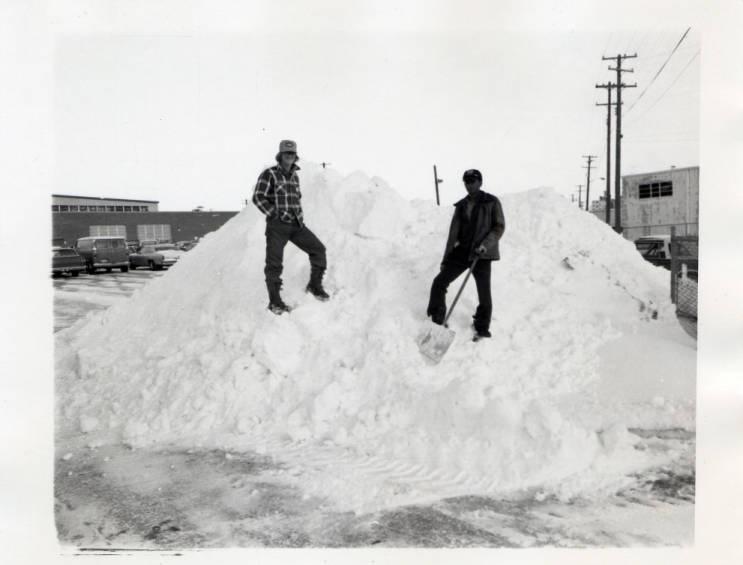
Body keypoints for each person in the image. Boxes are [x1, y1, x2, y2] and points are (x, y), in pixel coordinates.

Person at [426, 168, 506, 340]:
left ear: (480, 182)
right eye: (466, 182)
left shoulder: (491, 202)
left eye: (472, 181)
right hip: (462, 253)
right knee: (439, 282)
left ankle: (482, 328)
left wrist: (485, 245)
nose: (469, 185)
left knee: (484, 295)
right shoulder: (462, 205)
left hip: (482, 255)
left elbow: (499, 227)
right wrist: (446, 258)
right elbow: (453, 235)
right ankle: (438, 319)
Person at [253, 139, 329, 315]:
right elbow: (258, 197)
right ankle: (275, 302)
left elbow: (296, 197)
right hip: (277, 226)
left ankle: (314, 285)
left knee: (318, 250)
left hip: (296, 224)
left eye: (292, 154)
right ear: (280, 155)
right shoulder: (270, 174)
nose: (289, 156)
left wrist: (298, 216)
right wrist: (274, 213)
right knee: (274, 264)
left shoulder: (295, 175)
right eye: (286, 153)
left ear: (296, 156)